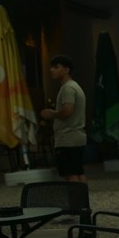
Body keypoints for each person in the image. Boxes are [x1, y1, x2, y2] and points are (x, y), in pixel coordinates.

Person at [40, 54, 87, 183]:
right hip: (77, 136)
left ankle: (76, 201)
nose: (51, 70)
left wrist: (52, 114)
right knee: (78, 171)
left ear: (66, 70)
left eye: (56, 67)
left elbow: (67, 111)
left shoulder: (68, 88)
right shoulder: (75, 86)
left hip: (68, 137)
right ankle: (83, 201)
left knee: (70, 173)